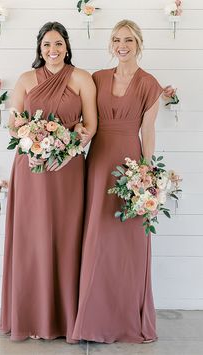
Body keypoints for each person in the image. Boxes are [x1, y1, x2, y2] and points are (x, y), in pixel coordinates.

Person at [0, 21, 97, 343]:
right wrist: (29, 139)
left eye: (57, 44)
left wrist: (67, 148)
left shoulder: (82, 78)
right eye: (46, 45)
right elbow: (13, 122)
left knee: (65, 237)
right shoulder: (26, 79)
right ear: (39, 49)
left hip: (67, 170)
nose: (52, 51)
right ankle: (29, 316)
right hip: (31, 168)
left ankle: (66, 319)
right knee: (32, 238)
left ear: (67, 45)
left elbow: (90, 127)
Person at [72, 19, 163, 344]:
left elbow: (148, 132)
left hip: (129, 164)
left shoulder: (150, 84)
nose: (121, 45)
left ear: (138, 43)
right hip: (98, 163)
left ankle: (126, 318)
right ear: (111, 44)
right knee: (96, 237)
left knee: (128, 242)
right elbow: (85, 121)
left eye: (128, 39)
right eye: (116, 40)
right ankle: (92, 319)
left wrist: (146, 174)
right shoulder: (96, 78)